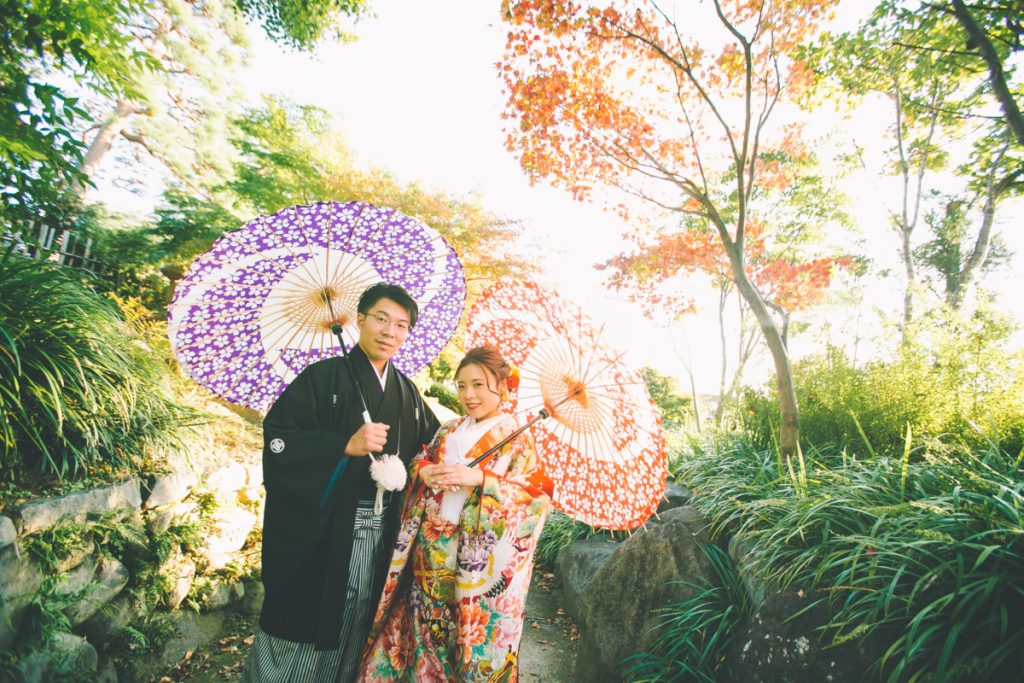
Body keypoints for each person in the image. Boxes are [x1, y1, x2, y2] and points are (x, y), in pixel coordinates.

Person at [242, 282, 440, 683]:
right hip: (324, 530)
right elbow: (280, 439)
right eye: (381, 319)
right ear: (360, 320)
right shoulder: (321, 378)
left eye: (401, 325)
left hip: (382, 530)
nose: (390, 331)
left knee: (359, 615)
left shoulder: (407, 392)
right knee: (305, 614)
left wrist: (425, 467)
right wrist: (343, 446)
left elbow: (432, 446)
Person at [357, 345, 553, 682]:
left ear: (502, 386)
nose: (468, 395)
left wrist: (480, 480)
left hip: (472, 563)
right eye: (462, 386)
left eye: (478, 385)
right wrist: (424, 471)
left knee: (461, 639)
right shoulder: (449, 429)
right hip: (428, 548)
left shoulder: (517, 439)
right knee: (416, 632)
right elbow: (420, 458)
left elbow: (534, 498)